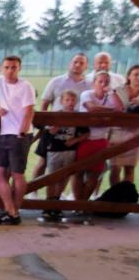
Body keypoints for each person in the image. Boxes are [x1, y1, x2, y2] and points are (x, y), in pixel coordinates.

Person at [0, 55, 35, 225]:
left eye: (13, 67)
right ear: (2, 68)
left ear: (19, 69)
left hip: (19, 134)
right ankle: (10, 210)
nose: (9, 71)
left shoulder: (26, 86)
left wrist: (22, 132)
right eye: (7, 67)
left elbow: (29, 111)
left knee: (17, 174)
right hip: (3, 132)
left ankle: (15, 209)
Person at [35, 54, 90, 182]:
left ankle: (59, 192)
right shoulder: (56, 81)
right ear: (70, 63)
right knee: (43, 161)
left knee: (69, 164)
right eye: (75, 62)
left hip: (73, 130)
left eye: (81, 63)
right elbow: (45, 103)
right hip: (53, 129)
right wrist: (45, 126)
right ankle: (34, 190)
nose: (77, 65)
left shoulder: (89, 84)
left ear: (86, 66)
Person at [72, 71, 122, 205]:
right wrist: (110, 110)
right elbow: (92, 108)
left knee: (95, 173)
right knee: (78, 172)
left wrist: (111, 92)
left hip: (101, 139)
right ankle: (77, 203)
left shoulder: (110, 96)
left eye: (106, 82)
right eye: (100, 81)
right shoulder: (86, 94)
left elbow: (119, 108)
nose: (103, 84)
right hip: (84, 139)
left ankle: (83, 204)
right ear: (94, 83)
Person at [41, 89, 81, 221]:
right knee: (52, 176)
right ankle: (48, 203)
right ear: (61, 101)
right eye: (67, 100)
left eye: (73, 100)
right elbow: (49, 132)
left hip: (70, 150)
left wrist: (75, 140)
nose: (70, 103)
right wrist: (59, 125)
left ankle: (57, 201)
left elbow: (86, 132)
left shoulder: (78, 116)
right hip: (55, 149)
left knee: (64, 176)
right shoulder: (56, 114)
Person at [110, 64, 139, 185]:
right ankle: (115, 194)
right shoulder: (118, 91)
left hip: (136, 134)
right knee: (115, 168)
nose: (138, 77)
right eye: (136, 74)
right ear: (129, 76)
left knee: (130, 168)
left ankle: (127, 194)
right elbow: (120, 110)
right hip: (118, 132)